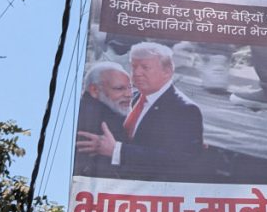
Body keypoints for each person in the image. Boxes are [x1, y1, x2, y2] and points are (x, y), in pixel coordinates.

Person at [76, 42, 203, 181]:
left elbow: (183, 161)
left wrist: (117, 151)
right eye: (134, 67)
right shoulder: (132, 98)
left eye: (145, 67)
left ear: (167, 72)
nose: (136, 73)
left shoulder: (185, 110)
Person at [74, 62, 132, 178]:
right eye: (119, 88)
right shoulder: (107, 120)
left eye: (130, 88)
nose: (129, 94)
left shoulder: (83, 109)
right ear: (95, 90)